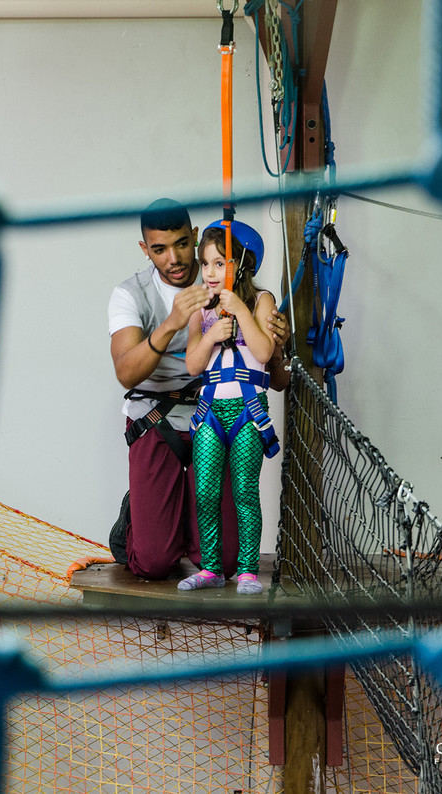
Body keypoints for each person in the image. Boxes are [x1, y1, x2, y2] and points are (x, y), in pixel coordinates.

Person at [109, 200, 289, 581]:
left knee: (225, 561)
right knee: (154, 562)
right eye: (159, 249)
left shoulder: (237, 290)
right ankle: (143, 518)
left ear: (194, 237)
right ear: (145, 249)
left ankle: (183, 515)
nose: (174, 258)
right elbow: (126, 373)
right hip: (157, 420)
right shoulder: (130, 294)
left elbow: (275, 376)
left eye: (181, 244)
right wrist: (171, 323)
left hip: (220, 415)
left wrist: (276, 350)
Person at [179, 220, 279, 595]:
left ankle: (248, 570)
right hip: (210, 413)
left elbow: (265, 352)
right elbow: (192, 364)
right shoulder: (199, 308)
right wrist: (211, 337)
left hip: (248, 411)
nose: (210, 272)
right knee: (204, 492)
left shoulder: (260, 301)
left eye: (220, 263)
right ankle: (211, 568)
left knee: (244, 490)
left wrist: (239, 309)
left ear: (242, 264)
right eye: (206, 263)